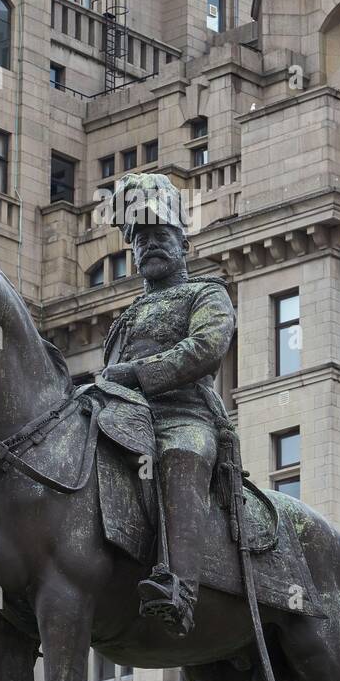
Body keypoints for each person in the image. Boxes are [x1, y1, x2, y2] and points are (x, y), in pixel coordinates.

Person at [101, 174, 236, 637]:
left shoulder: (206, 293)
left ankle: (180, 589)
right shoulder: (125, 317)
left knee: (182, 454)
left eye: (161, 237)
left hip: (184, 415)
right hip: (122, 417)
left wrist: (138, 374)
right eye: (140, 240)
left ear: (182, 243)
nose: (149, 247)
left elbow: (206, 347)